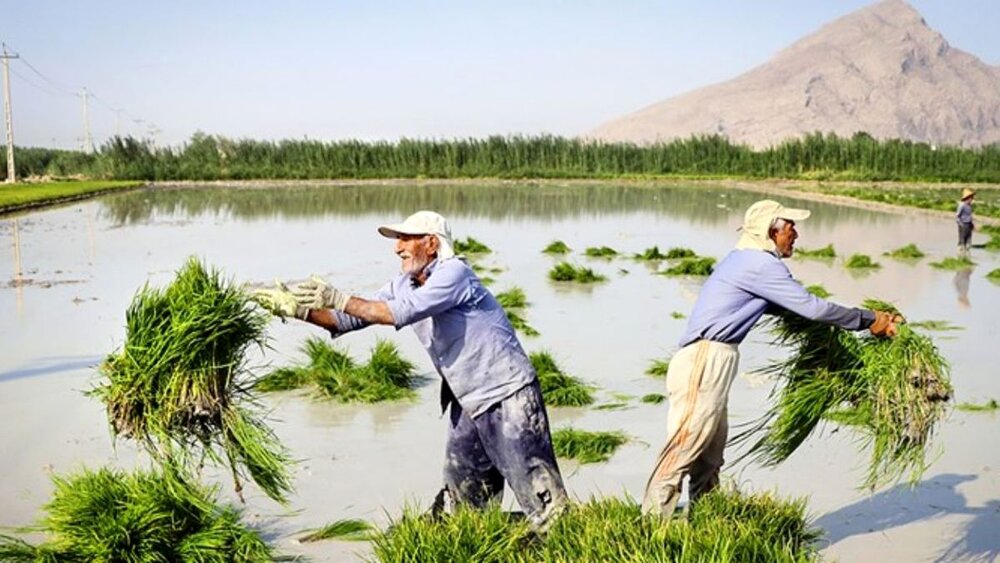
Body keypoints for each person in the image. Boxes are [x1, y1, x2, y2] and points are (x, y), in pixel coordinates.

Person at [252, 210, 568, 531]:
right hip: (466, 401)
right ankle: (482, 541)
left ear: (431, 244)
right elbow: (347, 319)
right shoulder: (403, 284)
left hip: (507, 393)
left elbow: (402, 312)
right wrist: (297, 309)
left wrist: (339, 297)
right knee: (466, 499)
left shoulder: (454, 273)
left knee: (536, 487)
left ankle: (561, 540)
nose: (397, 248)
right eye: (396, 240)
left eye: (405, 239)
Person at [642, 199, 902, 518]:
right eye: (791, 228)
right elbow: (813, 308)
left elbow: (795, 309)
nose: (796, 235)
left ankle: (705, 522)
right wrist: (868, 319)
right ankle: (652, 527)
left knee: (709, 456)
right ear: (772, 230)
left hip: (714, 360)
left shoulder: (745, 261)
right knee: (684, 447)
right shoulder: (759, 264)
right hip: (704, 360)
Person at [957, 188, 975, 256]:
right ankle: (961, 253)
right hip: (963, 224)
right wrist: (960, 224)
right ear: (967, 198)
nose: (972, 199)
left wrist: (972, 224)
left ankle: (967, 253)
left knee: (969, 238)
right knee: (962, 238)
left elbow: (969, 215)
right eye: (971, 197)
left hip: (968, 224)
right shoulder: (962, 205)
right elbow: (957, 216)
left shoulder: (969, 206)